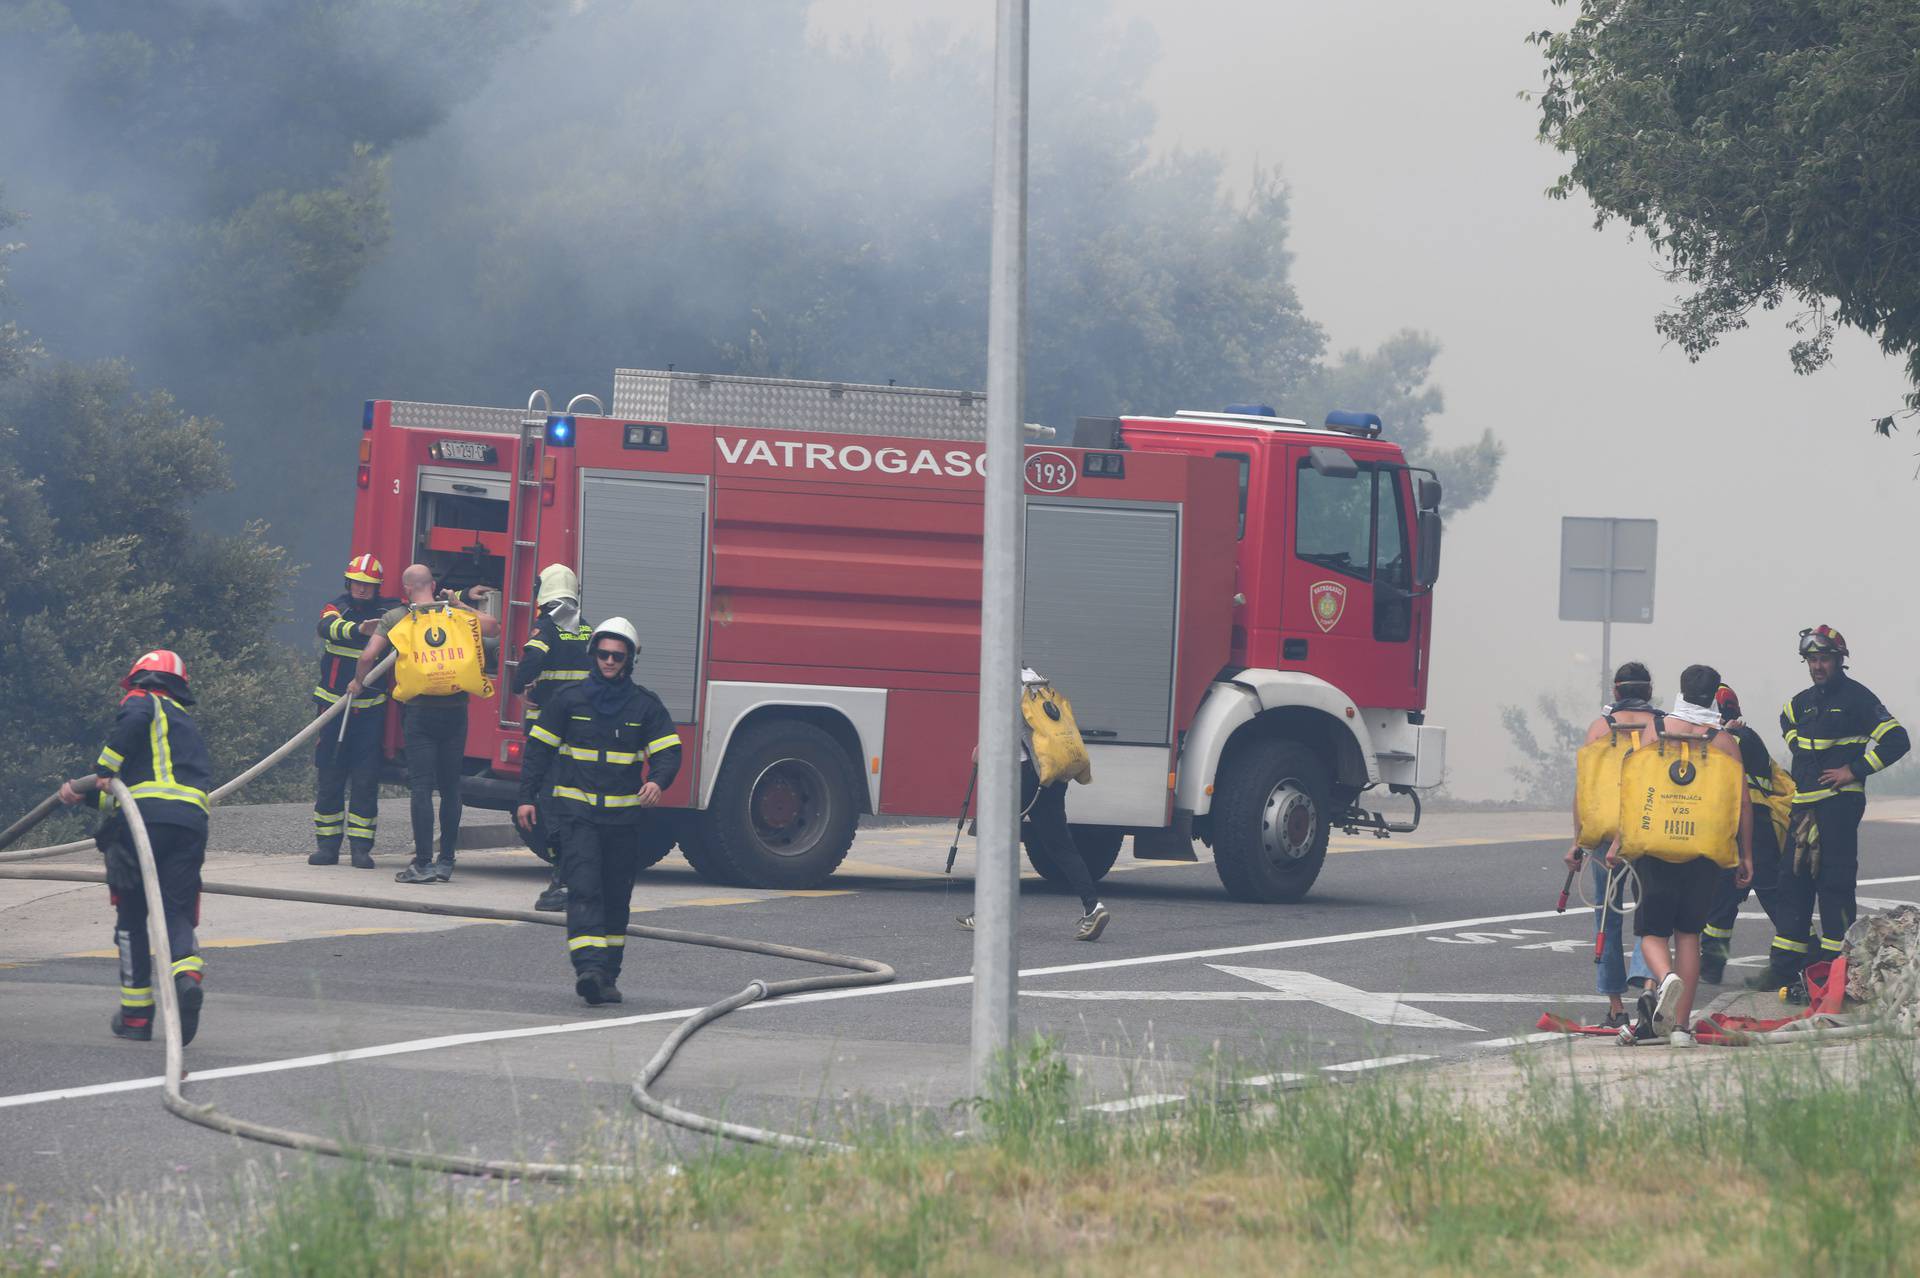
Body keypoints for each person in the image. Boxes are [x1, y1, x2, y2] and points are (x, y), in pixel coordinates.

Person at [515, 618, 681, 1005]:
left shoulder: (644, 705)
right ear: (594, 655)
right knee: (585, 889)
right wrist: (525, 797)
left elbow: (669, 751)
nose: (609, 661)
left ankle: (607, 975)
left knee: (616, 898)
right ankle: (588, 969)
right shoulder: (570, 700)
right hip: (578, 816)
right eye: (604, 654)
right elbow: (538, 751)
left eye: (617, 656)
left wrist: (658, 780)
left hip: (623, 821)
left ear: (628, 661)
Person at [56, 650, 214, 1046]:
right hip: (189, 826)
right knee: (177, 911)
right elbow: (131, 791)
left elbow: (128, 772)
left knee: (131, 919)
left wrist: (102, 769)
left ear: (140, 679)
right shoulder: (184, 725)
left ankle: (136, 1017)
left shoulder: (144, 701)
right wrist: (88, 795)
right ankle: (188, 976)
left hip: (144, 826)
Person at [1746, 626, 1909, 992]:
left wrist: (1854, 770)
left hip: (1838, 808)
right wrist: (1796, 745)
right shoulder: (1803, 702)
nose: (1818, 666)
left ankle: (1837, 974)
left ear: (1839, 660)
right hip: (1802, 808)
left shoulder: (1858, 699)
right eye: (1812, 660)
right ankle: (1786, 969)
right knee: (1793, 887)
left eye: (1824, 659)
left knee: (1834, 888)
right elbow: (1786, 718)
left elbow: (1897, 739)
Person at [1617, 664, 1752, 1047]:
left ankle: (1664, 979)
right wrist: (1746, 855)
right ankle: (1680, 1029)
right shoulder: (1724, 742)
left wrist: (1619, 840)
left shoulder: (1655, 731)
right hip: (1704, 847)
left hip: (1656, 844)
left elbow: (1632, 786)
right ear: (1713, 695)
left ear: (1680, 689)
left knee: (1649, 932)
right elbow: (1742, 802)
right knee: (1689, 935)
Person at [348, 564, 497, 884]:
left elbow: (367, 657)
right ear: (433, 585)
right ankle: (447, 862)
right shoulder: (454, 614)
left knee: (422, 788)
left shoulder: (398, 617)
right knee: (450, 787)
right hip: (456, 710)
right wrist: (458, 603)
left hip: (419, 714)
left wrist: (358, 683)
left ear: (406, 589)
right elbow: (493, 626)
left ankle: (423, 864)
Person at [958, 667, 1110, 941]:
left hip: (1023, 773)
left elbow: (1001, 728)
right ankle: (1093, 907)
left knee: (995, 841)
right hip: (1050, 771)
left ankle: (986, 914)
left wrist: (982, 751)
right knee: (1060, 845)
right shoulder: (1036, 679)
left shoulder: (1003, 673)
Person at [1564, 661, 1660, 1028]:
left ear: (1615, 692)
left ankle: (1616, 1005)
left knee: (1607, 915)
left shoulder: (1599, 729)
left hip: (1604, 837)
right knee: (1652, 913)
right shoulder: (1661, 726)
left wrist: (1577, 842)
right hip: (1649, 832)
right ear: (1650, 691)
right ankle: (1650, 985)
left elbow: (1584, 792)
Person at [309, 553, 400, 868]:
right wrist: (360, 630)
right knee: (330, 777)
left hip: (369, 711)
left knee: (365, 780)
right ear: (349, 583)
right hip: (332, 709)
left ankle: (361, 848)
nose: (362, 590)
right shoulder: (336, 607)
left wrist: (461, 597)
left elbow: (421, 611)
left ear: (377, 587)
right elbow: (326, 627)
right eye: (357, 584)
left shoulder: (388, 610)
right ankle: (327, 847)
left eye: (368, 585)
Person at [512, 564, 592, 912]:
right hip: (582, 733)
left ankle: (562, 880)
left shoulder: (549, 627)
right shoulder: (586, 628)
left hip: (549, 732)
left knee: (551, 804)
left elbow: (530, 663)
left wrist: (520, 687)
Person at [1696, 683, 1788, 984]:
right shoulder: (1746, 737)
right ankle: (1710, 965)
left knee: (1769, 895)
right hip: (1749, 825)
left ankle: (1798, 960)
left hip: (1747, 824)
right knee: (1723, 897)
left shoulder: (1729, 739)